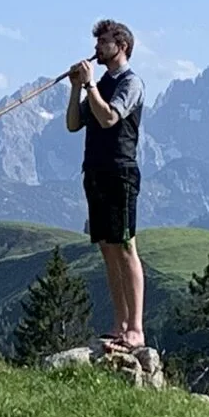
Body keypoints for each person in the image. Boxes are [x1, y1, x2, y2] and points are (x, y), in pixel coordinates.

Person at [65, 19, 146, 350]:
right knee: (108, 249)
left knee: (125, 247)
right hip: (95, 172)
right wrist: (76, 87)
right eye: (97, 43)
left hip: (120, 172)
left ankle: (136, 328)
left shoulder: (131, 83)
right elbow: (74, 124)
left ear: (121, 46)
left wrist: (89, 86)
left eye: (103, 43)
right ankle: (119, 323)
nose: (97, 48)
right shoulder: (99, 85)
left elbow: (110, 117)